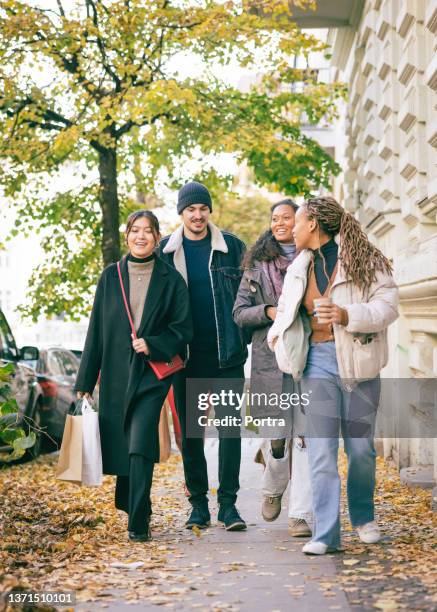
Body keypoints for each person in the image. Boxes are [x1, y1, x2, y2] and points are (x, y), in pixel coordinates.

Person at [268, 196, 399, 555]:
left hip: (358, 362)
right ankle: (325, 534)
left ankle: (363, 517)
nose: (291, 228)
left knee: (360, 450)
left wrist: (346, 315)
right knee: (321, 452)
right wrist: (277, 337)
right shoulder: (299, 267)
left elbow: (388, 306)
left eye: (296, 221)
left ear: (313, 225)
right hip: (317, 364)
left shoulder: (365, 260)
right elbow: (283, 311)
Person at [75, 210, 192, 542]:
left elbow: (183, 329)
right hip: (115, 374)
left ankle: (138, 522)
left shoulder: (171, 280)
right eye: (135, 231)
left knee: (141, 442)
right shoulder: (110, 277)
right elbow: (96, 329)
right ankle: (134, 502)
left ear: (157, 237)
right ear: (127, 236)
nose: (141, 236)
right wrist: (85, 382)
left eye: (148, 231)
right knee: (124, 444)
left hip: (151, 374)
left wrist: (152, 344)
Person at [159, 181, 248, 531]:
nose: (197, 215)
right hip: (185, 360)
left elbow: (249, 297)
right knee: (191, 436)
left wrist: (243, 339)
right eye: (190, 209)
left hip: (227, 358)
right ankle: (198, 505)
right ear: (181, 212)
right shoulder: (165, 251)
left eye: (203, 208)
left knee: (229, 431)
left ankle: (228, 506)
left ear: (209, 211)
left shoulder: (232, 248)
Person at [233, 199, 313, 537]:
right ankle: (272, 489)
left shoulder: (313, 259)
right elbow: (239, 313)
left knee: (307, 439)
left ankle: (300, 516)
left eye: (287, 218)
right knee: (277, 438)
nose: (280, 223)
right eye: (275, 218)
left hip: (309, 356)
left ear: (299, 222)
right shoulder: (256, 266)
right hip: (270, 359)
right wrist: (267, 312)